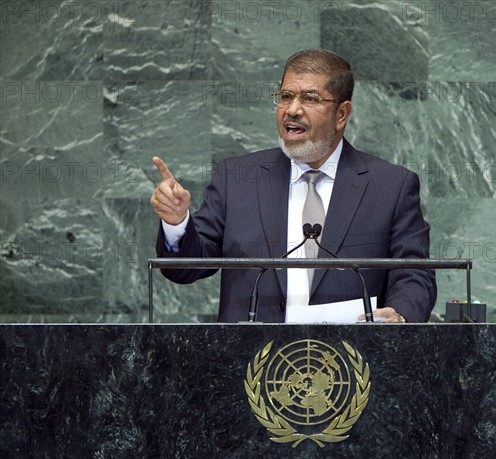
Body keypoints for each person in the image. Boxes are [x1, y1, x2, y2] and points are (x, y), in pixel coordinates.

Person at [150, 48, 436, 323]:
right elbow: (185, 269)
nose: (293, 110)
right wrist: (177, 224)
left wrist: (400, 314)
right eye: (286, 96)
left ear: (341, 114)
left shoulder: (390, 186)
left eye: (310, 99)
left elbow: (414, 273)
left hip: (349, 364)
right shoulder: (236, 177)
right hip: (251, 361)